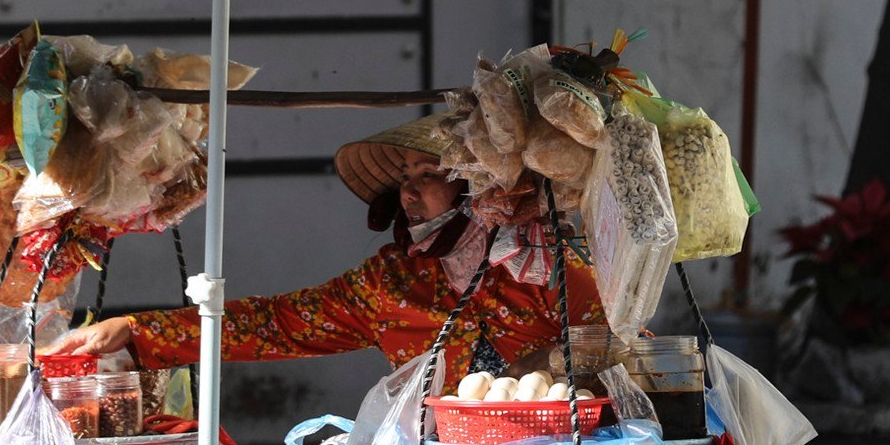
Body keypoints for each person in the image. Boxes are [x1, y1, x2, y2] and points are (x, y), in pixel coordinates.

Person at [47, 115, 605, 386]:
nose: (408, 193)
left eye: (429, 175)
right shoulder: (390, 281)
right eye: (404, 178)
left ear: (475, 184)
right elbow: (277, 324)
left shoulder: (543, 262)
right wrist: (139, 331)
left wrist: (546, 365)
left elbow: (622, 343)